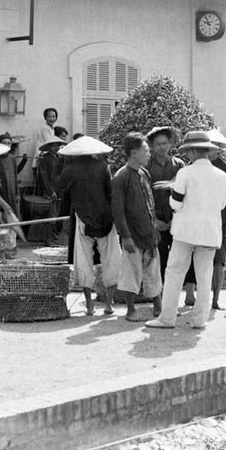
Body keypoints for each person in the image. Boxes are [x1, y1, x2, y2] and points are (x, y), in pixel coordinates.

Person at [146, 131, 226, 330]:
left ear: (191, 151)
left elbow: (175, 203)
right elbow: (222, 204)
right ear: (208, 151)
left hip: (185, 232)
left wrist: (175, 200)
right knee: (204, 275)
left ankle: (167, 318)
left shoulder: (185, 173)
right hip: (210, 232)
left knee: (174, 273)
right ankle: (200, 320)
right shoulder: (222, 176)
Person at [54, 138, 120, 315]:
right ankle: (109, 303)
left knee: (83, 260)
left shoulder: (71, 168)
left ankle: (89, 305)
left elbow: (58, 185)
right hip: (105, 217)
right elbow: (110, 193)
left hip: (83, 218)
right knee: (111, 259)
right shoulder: (103, 166)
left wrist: (60, 162)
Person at [111, 133, 163, 322]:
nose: (149, 154)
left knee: (154, 272)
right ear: (134, 152)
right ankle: (131, 310)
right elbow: (117, 210)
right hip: (132, 234)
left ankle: (158, 307)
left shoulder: (144, 173)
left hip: (149, 233)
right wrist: (125, 236)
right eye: (146, 151)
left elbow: (150, 204)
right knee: (131, 273)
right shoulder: (121, 177)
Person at [145, 126, 188, 302]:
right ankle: (159, 297)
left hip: (176, 219)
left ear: (170, 144)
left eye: (165, 143)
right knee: (159, 258)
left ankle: (174, 296)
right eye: (158, 144)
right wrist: (154, 220)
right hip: (156, 220)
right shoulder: (146, 166)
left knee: (178, 259)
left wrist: (177, 217)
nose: (162, 147)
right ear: (152, 147)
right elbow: (143, 195)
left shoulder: (179, 165)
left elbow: (186, 193)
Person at [207, 130, 226, 311]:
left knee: (219, 261)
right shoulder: (194, 165)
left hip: (219, 219)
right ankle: (193, 295)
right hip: (201, 220)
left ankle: (216, 298)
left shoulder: (224, 169)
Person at [0, 133, 28, 214]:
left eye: (9, 143)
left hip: (12, 192)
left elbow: (15, 175)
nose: (7, 145)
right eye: (4, 143)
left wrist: (17, 193)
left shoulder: (12, 158)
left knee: (13, 215)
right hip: (0, 193)